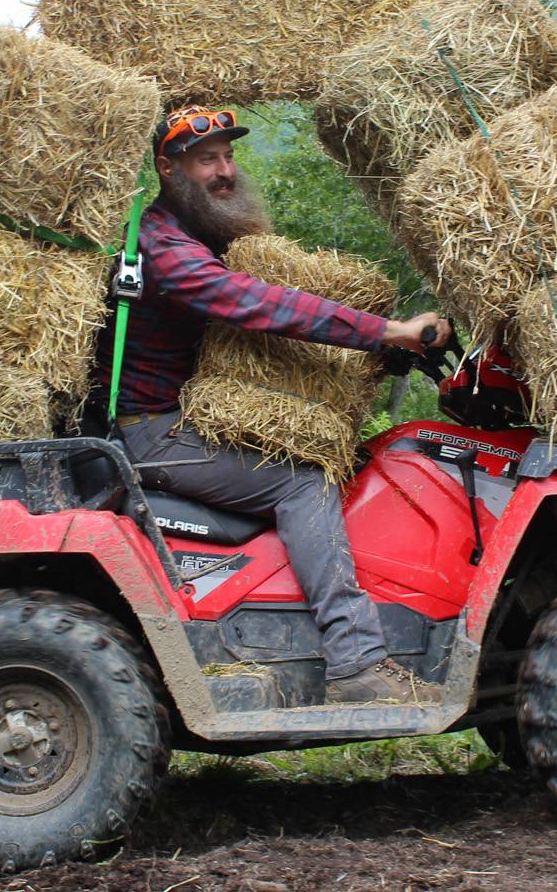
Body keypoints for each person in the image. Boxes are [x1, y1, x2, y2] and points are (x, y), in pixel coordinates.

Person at [92, 104, 451, 704]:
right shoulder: (164, 248)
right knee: (304, 481)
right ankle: (356, 664)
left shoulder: (201, 234)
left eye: (229, 157)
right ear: (168, 169)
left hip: (183, 415)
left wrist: (375, 353)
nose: (225, 170)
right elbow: (260, 304)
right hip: (151, 431)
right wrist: (389, 331)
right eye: (207, 160)